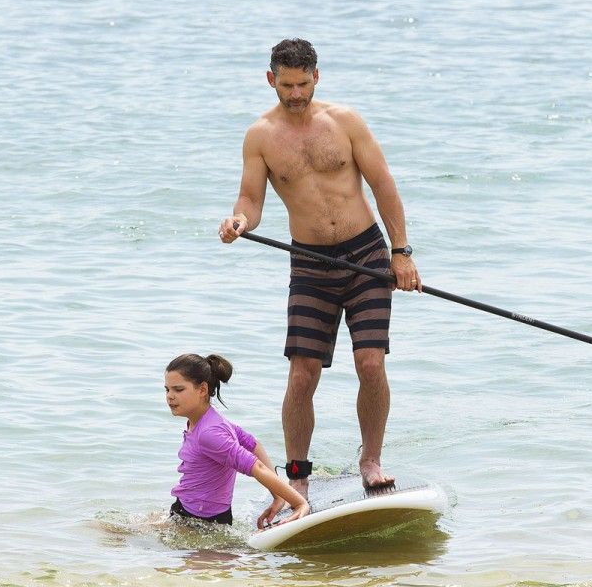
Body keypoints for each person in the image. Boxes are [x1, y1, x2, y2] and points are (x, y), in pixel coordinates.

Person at [218, 38, 420, 495]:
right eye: (286, 85)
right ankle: (298, 479)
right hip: (310, 264)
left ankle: (370, 460)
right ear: (271, 79)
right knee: (302, 372)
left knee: (370, 363)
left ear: (317, 77)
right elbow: (250, 199)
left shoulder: (344, 122)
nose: (295, 94)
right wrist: (239, 222)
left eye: (303, 84)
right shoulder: (260, 136)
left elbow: (383, 185)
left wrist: (401, 252)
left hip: (366, 256)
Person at [165, 353, 309, 529]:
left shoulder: (210, 434)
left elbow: (257, 467)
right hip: (187, 509)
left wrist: (299, 503)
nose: (170, 396)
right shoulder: (208, 420)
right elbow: (252, 444)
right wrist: (278, 497)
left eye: (178, 389)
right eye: (167, 389)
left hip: (203, 523)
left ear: (202, 390)